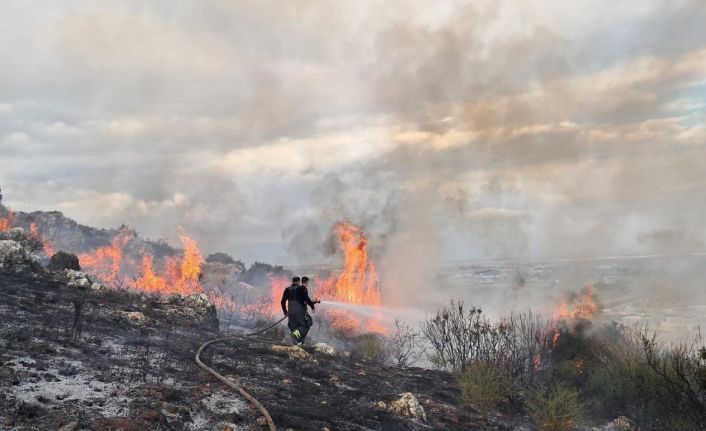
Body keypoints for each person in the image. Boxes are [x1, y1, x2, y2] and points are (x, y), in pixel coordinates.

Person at [280, 276, 318, 345]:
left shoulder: (287, 289)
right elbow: (306, 299)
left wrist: (285, 311)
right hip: (300, 312)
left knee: (294, 328)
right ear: (299, 282)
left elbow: (282, 302)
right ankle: (295, 337)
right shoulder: (301, 288)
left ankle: (298, 344)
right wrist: (312, 306)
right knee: (307, 324)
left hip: (290, 313)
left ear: (292, 281)